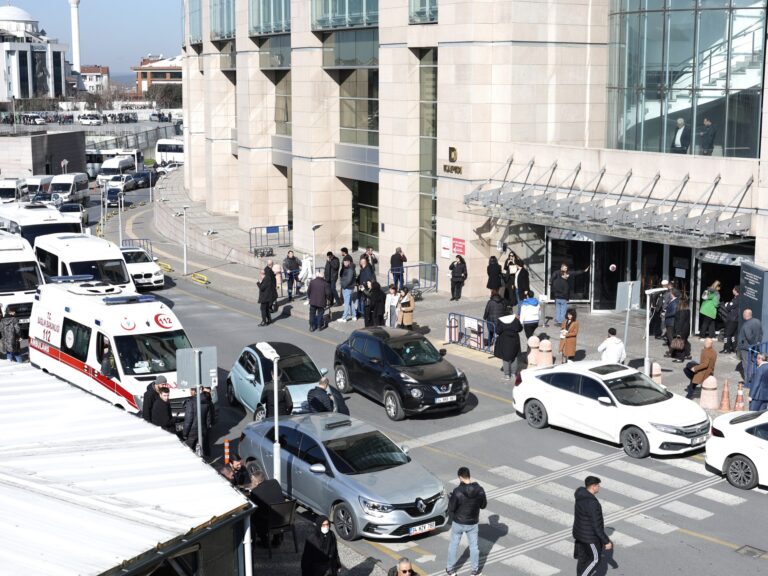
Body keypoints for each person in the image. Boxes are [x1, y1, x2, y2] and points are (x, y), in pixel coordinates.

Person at [445, 467, 486, 576]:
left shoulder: (457, 491)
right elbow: (483, 505)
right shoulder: (480, 489)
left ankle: (450, 569)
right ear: (469, 475)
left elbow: (451, 508)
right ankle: (475, 571)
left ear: (460, 477)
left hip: (458, 522)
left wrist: (451, 497)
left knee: (454, 545)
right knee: (474, 547)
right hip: (472, 523)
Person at [572, 476, 612, 576]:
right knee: (595, 559)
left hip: (579, 534)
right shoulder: (593, 504)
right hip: (589, 538)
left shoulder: (580, 494)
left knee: (583, 559)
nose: (599, 487)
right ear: (593, 486)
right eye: (598, 485)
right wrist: (606, 541)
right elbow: (596, 526)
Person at [247, 470, 286, 548]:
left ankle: (264, 541)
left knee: (254, 517)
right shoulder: (274, 482)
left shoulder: (255, 492)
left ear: (257, 482)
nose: (251, 482)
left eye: (252, 481)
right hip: (285, 518)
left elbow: (255, 508)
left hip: (270, 522)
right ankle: (277, 538)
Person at [738, 308, 763, 389]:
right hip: (755, 346)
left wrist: (752, 345)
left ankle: (748, 381)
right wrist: (758, 343)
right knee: (753, 363)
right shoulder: (757, 321)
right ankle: (754, 379)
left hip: (746, 348)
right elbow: (761, 333)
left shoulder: (746, 325)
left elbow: (749, 337)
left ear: (745, 315)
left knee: (746, 364)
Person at [183, 387, 212, 454]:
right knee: (204, 449)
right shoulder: (207, 401)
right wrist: (206, 429)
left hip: (192, 431)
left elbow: (188, 420)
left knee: (189, 451)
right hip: (203, 429)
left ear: (195, 392)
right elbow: (208, 418)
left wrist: (185, 434)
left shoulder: (191, 402)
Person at [494, 314, 523, 381]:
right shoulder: (515, 319)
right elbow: (520, 329)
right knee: (514, 356)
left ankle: (507, 375)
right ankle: (514, 373)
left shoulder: (501, 320)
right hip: (515, 340)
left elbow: (498, 331)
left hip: (505, 340)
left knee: (506, 357)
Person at [670, 297, 692, 362]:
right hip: (686, 329)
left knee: (679, 343)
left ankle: (680, 358)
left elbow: (680, 322)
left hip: (681, 330)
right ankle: (688, 354)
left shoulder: (681, 312)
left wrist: (678, 332)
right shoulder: (687, 310)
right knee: (685, 342)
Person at [337, 256, 357, 322]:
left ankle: (344, 317)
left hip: (347, 288)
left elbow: (349, 279)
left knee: (346, 303)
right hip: (350, 287)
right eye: (343, 262)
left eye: (345, 262)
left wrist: (343, 285)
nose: (344, 263)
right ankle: (354, 316)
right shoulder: (349, 268)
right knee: (350, 302)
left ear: (349, 262)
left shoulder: (350, 269)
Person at [721, 285, 740, 353]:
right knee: (734, 335)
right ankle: (733, 348)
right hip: (736, 319)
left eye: (733, 289)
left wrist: (726, 304)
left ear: (736, 291)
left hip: (732, 319)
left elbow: (728, 307)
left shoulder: (737, 299)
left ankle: (726, 348)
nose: (732, 290)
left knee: (727, 334)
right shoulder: (738, 298)